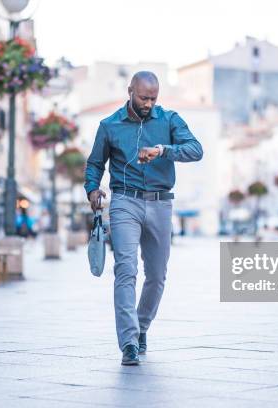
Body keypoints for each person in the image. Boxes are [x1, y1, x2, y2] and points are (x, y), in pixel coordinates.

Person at [84, 71, 203, 366]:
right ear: (130, 91)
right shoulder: (109, 126)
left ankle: (141, 328)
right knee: (126, 269)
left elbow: (196, 150)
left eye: (153, 98)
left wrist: (163, 150)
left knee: (157, 275)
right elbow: (95, 164)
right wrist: (92, 189)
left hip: (161, 203)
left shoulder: (169, 119)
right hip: (124, 201)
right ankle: (128, 342)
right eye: (143, 97)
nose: (148, 103)